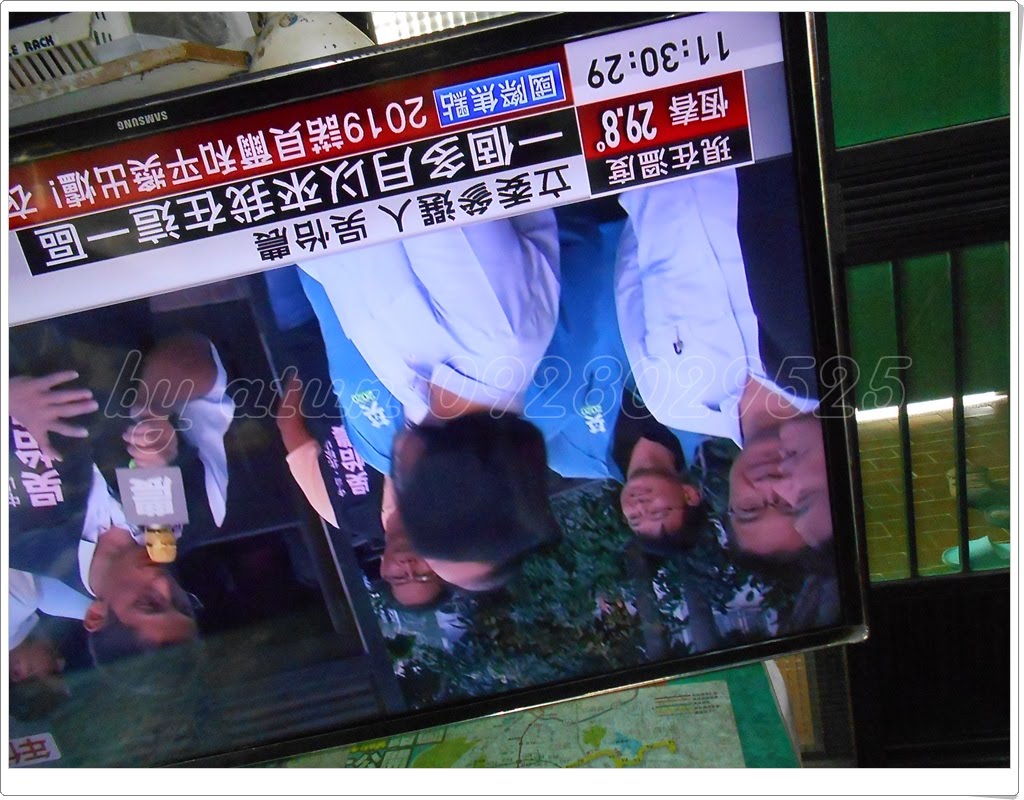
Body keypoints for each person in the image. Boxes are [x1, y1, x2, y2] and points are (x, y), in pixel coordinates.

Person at [294, 213, 563, 589]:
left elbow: (335, 269)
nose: (399, 497)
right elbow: (421, 198)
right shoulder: (499, 339)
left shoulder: (414, 395)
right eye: (418, 508)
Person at [273, 371, 446, 607]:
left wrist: (303, 368)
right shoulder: (442, 491)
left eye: (399, 578)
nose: (407, 567)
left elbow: (289, 426)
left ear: (383, 569)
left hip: (319, 363)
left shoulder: (339, 512)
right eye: (423, 575)